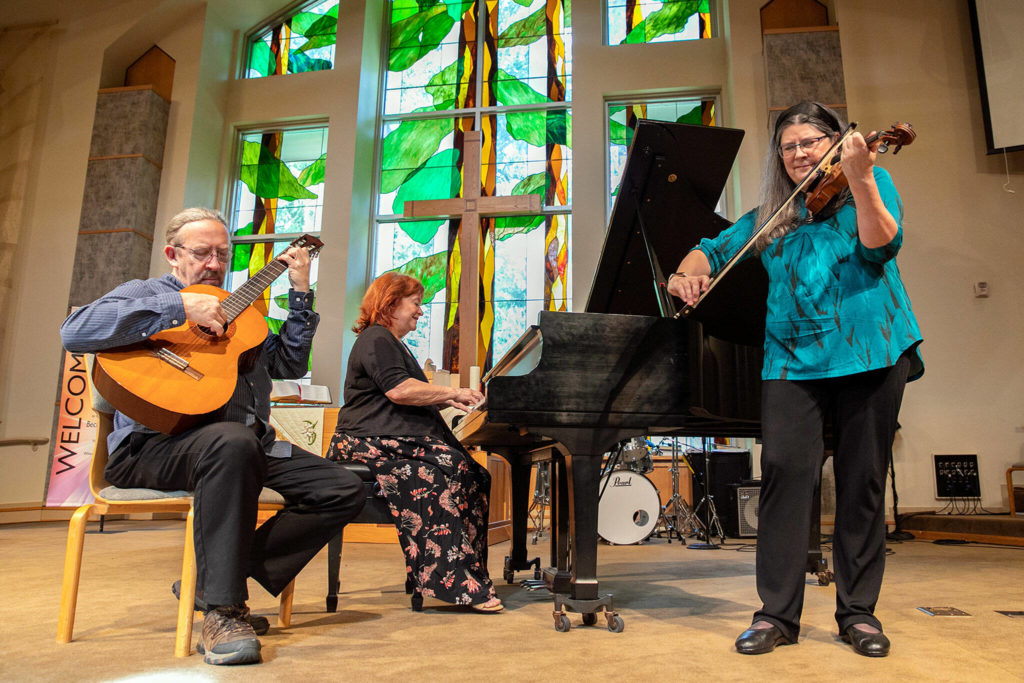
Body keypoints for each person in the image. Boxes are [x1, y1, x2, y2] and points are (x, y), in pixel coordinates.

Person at [668, 102, 923, 658]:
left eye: (811, 141)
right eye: (789, 146)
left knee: (862, 481)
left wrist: (860, 176)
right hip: (790, 360)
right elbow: (710, 249)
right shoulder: (773, 213)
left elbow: (882, 243)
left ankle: (858, 614)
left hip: (872, 351)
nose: (800, 153)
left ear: (834, 141)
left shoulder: (871, 182)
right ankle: (776, 614)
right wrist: (686, 272)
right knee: (783, 476)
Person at [60, 207, 365, 666]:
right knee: (231, 443)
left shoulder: (241, 310)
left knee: (343, 487)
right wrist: (182, 307)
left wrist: (300, 294)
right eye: (203, 253)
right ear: (172, 254)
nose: (215, 264)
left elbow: (288, 364)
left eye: (223, 254)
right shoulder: (147, 293)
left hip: (244, 444)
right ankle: (224, 611)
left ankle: (210, 582)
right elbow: (75, 331)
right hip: (155, 446)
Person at [327, 272, 502, 612]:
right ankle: (456, 583)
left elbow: (399, 395)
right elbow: (399, 390)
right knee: (441, 470)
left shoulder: (388, 341)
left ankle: (467, 575)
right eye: (416, 303)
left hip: (385, 438)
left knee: (473, 473)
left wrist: (445, 398)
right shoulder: (376, 337)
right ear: (391, 303)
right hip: (364, 442)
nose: (421, 310)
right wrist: (452, 392)